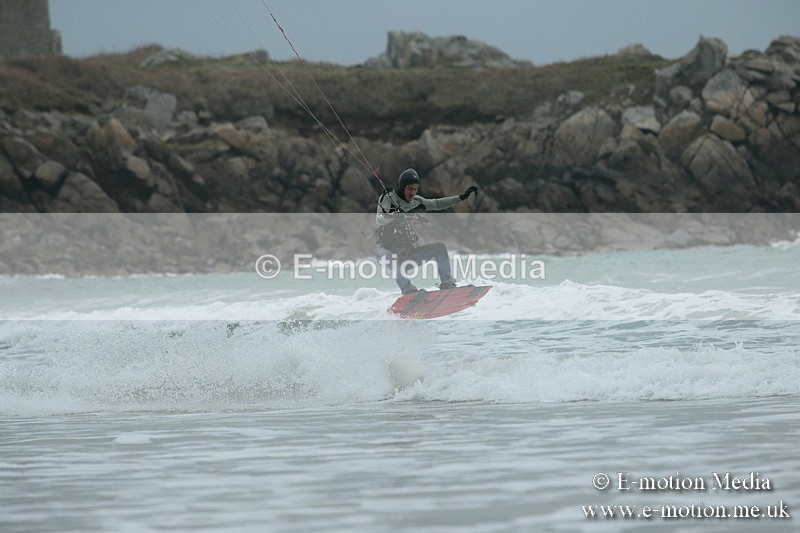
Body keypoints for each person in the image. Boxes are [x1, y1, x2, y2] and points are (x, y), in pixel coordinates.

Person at [375, 168, 478, 294]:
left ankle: (447, 284)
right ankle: (408, 291)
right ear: (402, 187)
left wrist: (461, 197)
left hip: (406, 254)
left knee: (439, 248)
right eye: (409, 189)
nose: (412, 193)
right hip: (385, 252)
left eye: (415, 189)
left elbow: (436, 203)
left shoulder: (416, 202)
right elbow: (379, 219)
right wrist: (392, 215)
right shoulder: (387, 199)